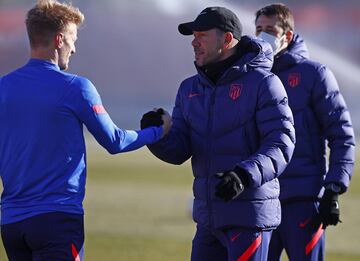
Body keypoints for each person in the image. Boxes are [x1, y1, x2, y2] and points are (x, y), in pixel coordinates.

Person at [0, 0, 171, 260]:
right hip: (56, 221)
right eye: (72, 38)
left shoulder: (4, 87)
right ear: (59, 40)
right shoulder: (75, 87)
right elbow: (115, 141)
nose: (74, 48)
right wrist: (157, 132)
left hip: (12, 224)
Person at [140, 6, 296, 261]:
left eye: (201, 35)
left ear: (226, 39)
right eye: (193, 36)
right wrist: (158, 135)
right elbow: (179, 150)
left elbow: (281, 144)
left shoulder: (264, 83)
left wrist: (244, 175)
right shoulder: (188, 88)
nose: (194, 42)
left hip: (249, 219)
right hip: (208, 221)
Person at [254, 3, 355, 261]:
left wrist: (333, 188)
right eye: (258, 29)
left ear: (286, 35)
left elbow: (341, 135)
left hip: (304, 201)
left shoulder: (314, 74)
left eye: (270, 29)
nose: (263, 35)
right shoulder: (252, 77)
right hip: (260, 201)